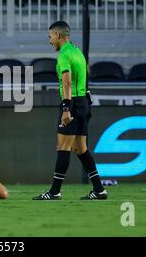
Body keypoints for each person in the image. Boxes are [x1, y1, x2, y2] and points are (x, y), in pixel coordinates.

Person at [33, 21, 107, 201]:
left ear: (58, 35)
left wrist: (66, 107)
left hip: (72, 103)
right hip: (84, 102)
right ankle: (99, 190)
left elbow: (66, 82)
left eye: (50, 36)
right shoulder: (77, 52)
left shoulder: (64, 55)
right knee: (80, 148)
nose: (50, 40)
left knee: (63, 147)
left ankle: (54, 192)